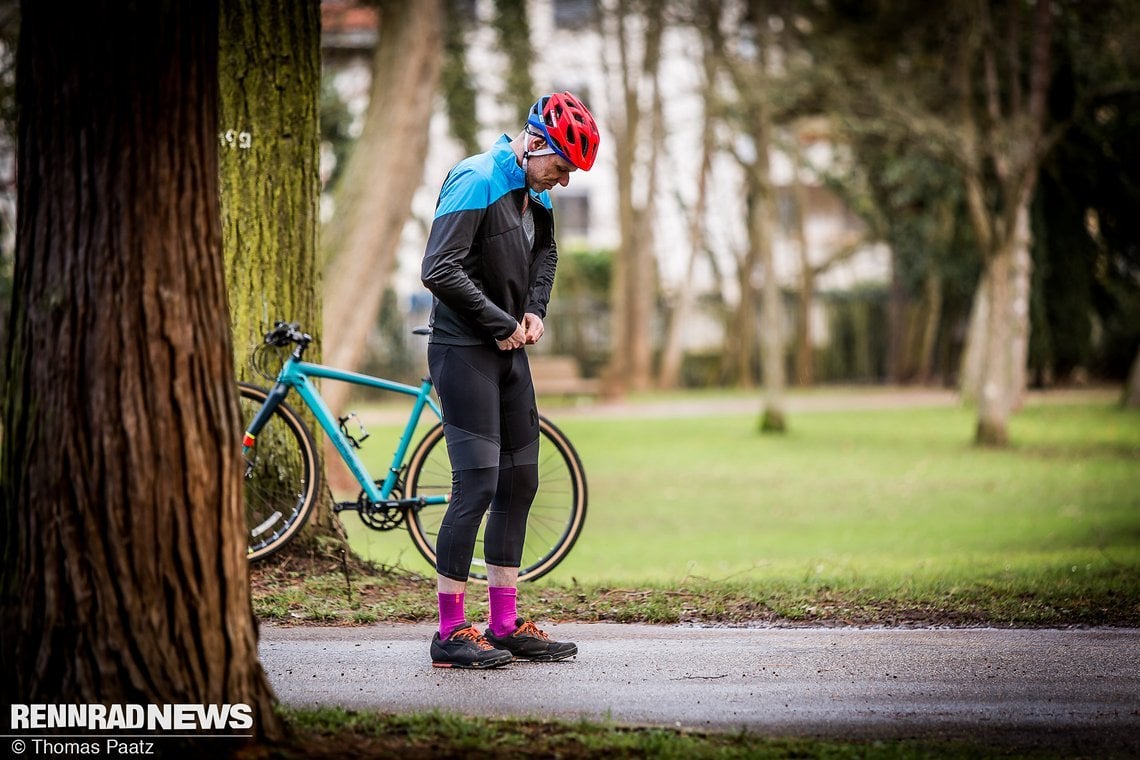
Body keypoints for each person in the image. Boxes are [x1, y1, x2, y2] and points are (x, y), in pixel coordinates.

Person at [420, 92, 600, 668]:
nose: (566, 180)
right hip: (463, 349)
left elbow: (545, 255)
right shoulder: (477, 179)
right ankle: (450, 632)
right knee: (476, 484)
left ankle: (502, 623)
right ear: (536, 145)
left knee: (520, 481)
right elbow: (438, 269)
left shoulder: (535, 192)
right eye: (562, 166)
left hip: (508, 351)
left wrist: (533, 311)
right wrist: (498, 322)